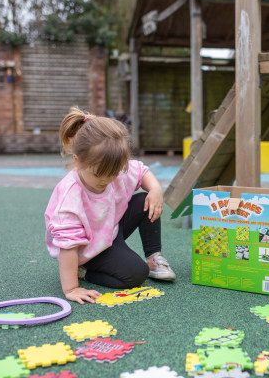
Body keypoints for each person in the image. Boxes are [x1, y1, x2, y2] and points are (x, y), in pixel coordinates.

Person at [45, 107, 176, 305]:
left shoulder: (112, 166)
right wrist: (71, 288)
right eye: (99, 175)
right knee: (135, 274)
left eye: (113, 174)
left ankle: (154, 257)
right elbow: (68, 247)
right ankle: (84, 272)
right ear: (77, 161)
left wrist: (156, 189)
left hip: (110, 228)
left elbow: (141, 172)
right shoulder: (70, 198)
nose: (107, 180)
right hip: (87, 250)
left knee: (145, 200)